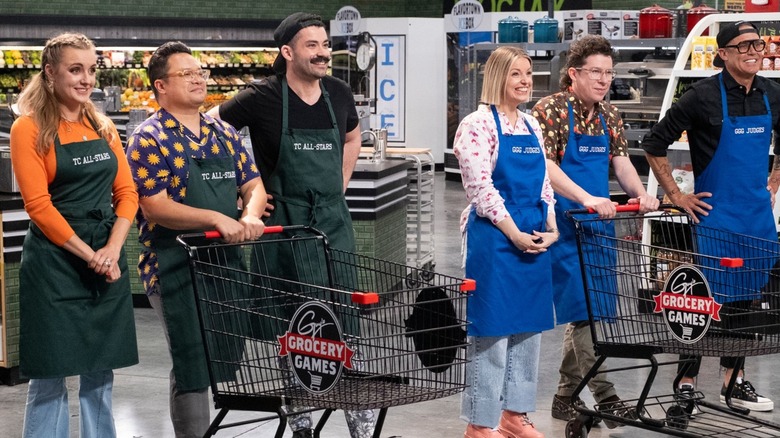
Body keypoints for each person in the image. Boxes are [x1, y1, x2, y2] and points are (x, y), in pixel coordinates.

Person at [206, 13, 373, 438]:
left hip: (333, 222)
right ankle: (300, 422)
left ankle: (359, 423)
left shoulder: (337, 92)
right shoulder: (262, 96)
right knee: (295, 324)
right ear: (287, 53)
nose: (323, 53)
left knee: (343, 320)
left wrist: (340, 182)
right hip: (285, 226)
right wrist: (247, 192)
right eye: (312, 45)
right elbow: (206, 129)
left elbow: (352, 136)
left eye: (325, 44)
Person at [125, 41, 267, 437]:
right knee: (192, 360)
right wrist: (216, 217)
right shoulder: (148, 138)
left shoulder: (224, 132)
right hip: (173, 267)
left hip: (225, 266)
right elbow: (154, 207)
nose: (198, 78)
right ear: (160, 86)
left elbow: (253, 185)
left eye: (199, 71)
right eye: (186, 73)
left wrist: (251, 214)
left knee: (219, 356)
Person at [642, 20, 779, 412]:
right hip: (715, 217)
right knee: (704, 301)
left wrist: (775, 177)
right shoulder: (701, 97)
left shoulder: (772, 94)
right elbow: (654, 143)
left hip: (757, 218)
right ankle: (685, 381)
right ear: (723, 54)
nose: (754, 52)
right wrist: (676, 195)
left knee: (746, 301)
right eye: (744, 46)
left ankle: (733, 381)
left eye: (758, 44)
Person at [10, 32, 139, 437]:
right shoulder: (28, 129)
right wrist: (92, 255)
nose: (86, 79)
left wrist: (113, 249)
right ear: (50, 73)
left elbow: (127, 193)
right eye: (75, 69)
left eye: (91, 69)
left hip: (105, 256)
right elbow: (39, 207)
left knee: (100, 370)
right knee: (51, 372)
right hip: (56, 263)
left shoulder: (101, 126)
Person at [531, 35, 660, 428]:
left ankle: (565, 396)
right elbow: (547, 168)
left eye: (609, 73)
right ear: (574, 74)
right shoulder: (549, 110)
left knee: (590, 312)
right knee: (584, 314)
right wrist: (587, 197)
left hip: (600, 228)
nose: (604, 80)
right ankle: (607, 398)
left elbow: (620, 162)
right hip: (564, 227)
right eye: (596, 72)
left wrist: (642, 194)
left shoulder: (610, 114)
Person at [455, 45, 559, 438]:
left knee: (529, 330)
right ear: (498, 77)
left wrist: (551, 225)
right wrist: (514, 232)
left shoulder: (532, 126)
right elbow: (481, 188)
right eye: (516, 73)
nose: (525, 81)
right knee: (493, 332)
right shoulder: (477, 125)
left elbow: (543, 184)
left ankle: (514, 416)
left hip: (534, 237)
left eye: (529, 73)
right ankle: (481, 423)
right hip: (496, 240)